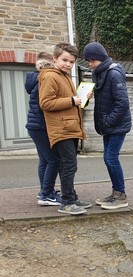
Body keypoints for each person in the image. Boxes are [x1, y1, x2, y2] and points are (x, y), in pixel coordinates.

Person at [38, 43, 92, 215]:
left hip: (70, 127)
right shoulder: (50, 77)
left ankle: (72, 198)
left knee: (67, 165)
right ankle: (67, 202)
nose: (68, 64)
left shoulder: (65, 76)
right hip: (61, 129)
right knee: (69, 165)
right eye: (64, 60)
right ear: (54, 59)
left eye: (71, 62)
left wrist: (83, 99)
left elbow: (73, 103)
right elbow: (45, 103)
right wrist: (71, 100)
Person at [83, 42, 132, 210]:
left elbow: (122, 103)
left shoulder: (113, 74)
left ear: (100, 58)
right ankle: (115, 193)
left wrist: (108, 121)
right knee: (108, 158)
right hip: (108, 126)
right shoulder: (101, 74)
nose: (90, 64)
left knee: (111, 158)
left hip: (116, 125)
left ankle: (121, 196)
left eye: (91, 60)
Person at [25, 52, 62, 206]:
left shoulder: (34, 78)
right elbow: (46, 105)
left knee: (45, 160)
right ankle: (46, 194)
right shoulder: (44, 80)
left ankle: (45, 191)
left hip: (35, 126)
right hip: (41, 126)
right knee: (55, 160)